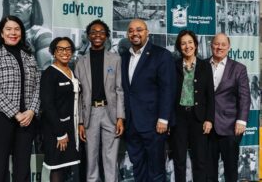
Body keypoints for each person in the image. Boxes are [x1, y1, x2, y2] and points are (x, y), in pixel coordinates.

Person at [0, 15, 40, 182]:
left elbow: (38, 86)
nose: (13, 33)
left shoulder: (29, 57)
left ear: (21, 33)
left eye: (17, 29)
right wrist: (16, 113)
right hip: (0, 119)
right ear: (1, 33)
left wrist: (31, 111)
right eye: (8, 29)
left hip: (26, 121)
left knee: (23, 169)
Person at [121, 19, 176, 181]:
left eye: (139, 30)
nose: (135, 33)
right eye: (131, 30)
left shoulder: (162, 55)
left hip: (154, 124)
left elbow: (168, 89)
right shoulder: (124, 57)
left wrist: (164, 119)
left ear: (147, 33)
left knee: (156, 170)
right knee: (138, 167)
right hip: (131, 125)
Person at [74, 19, 125, 181]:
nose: (97, 35)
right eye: (94, 32)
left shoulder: (115, 60)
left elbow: (119, 90)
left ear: (106, 36)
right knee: (91, 158)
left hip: (110, 113)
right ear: (88, 36)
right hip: (90, 114)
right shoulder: (80, 62)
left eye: (101, 32)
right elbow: (79, 95)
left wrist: (120, 118)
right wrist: (80, 122)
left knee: (110, 158)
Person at [170, 30, 214, 182]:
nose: (187, 46)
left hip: (199, 119)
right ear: (179, 47)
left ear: (195, 45)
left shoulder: (205, 66)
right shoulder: (173, 66)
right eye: (183, 43)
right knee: (179, 160)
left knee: (200, 160)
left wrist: (209, 119)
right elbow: (168, 95)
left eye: (190, 42)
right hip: (179, 118)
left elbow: (210, 96)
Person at [207, 33, 251, 182]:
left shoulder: (239, 68)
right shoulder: (202, 65)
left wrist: (242, 121)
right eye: (216, 44)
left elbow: (245, 97)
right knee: (209, 169)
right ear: (211, 45)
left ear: (229, 47)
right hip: (206, 126)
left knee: (231, 169)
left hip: (230, 127)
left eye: (223, 44)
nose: (219, 47)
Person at [40, 37, 80, 182]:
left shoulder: (71, 71)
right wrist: (60, 133)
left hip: (70, 128)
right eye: (60, 49)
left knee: (67, 166)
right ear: (53, 52)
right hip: (57, 130)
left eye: (68, 49)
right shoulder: (49, 74)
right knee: (56, 166)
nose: (65, 52)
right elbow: (47, 105)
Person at [2, 0, 52, 70]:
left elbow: (45, 70)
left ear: (32, 8)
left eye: (23, 1)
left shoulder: (42, 34)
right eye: (13, 1)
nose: (17, 4)